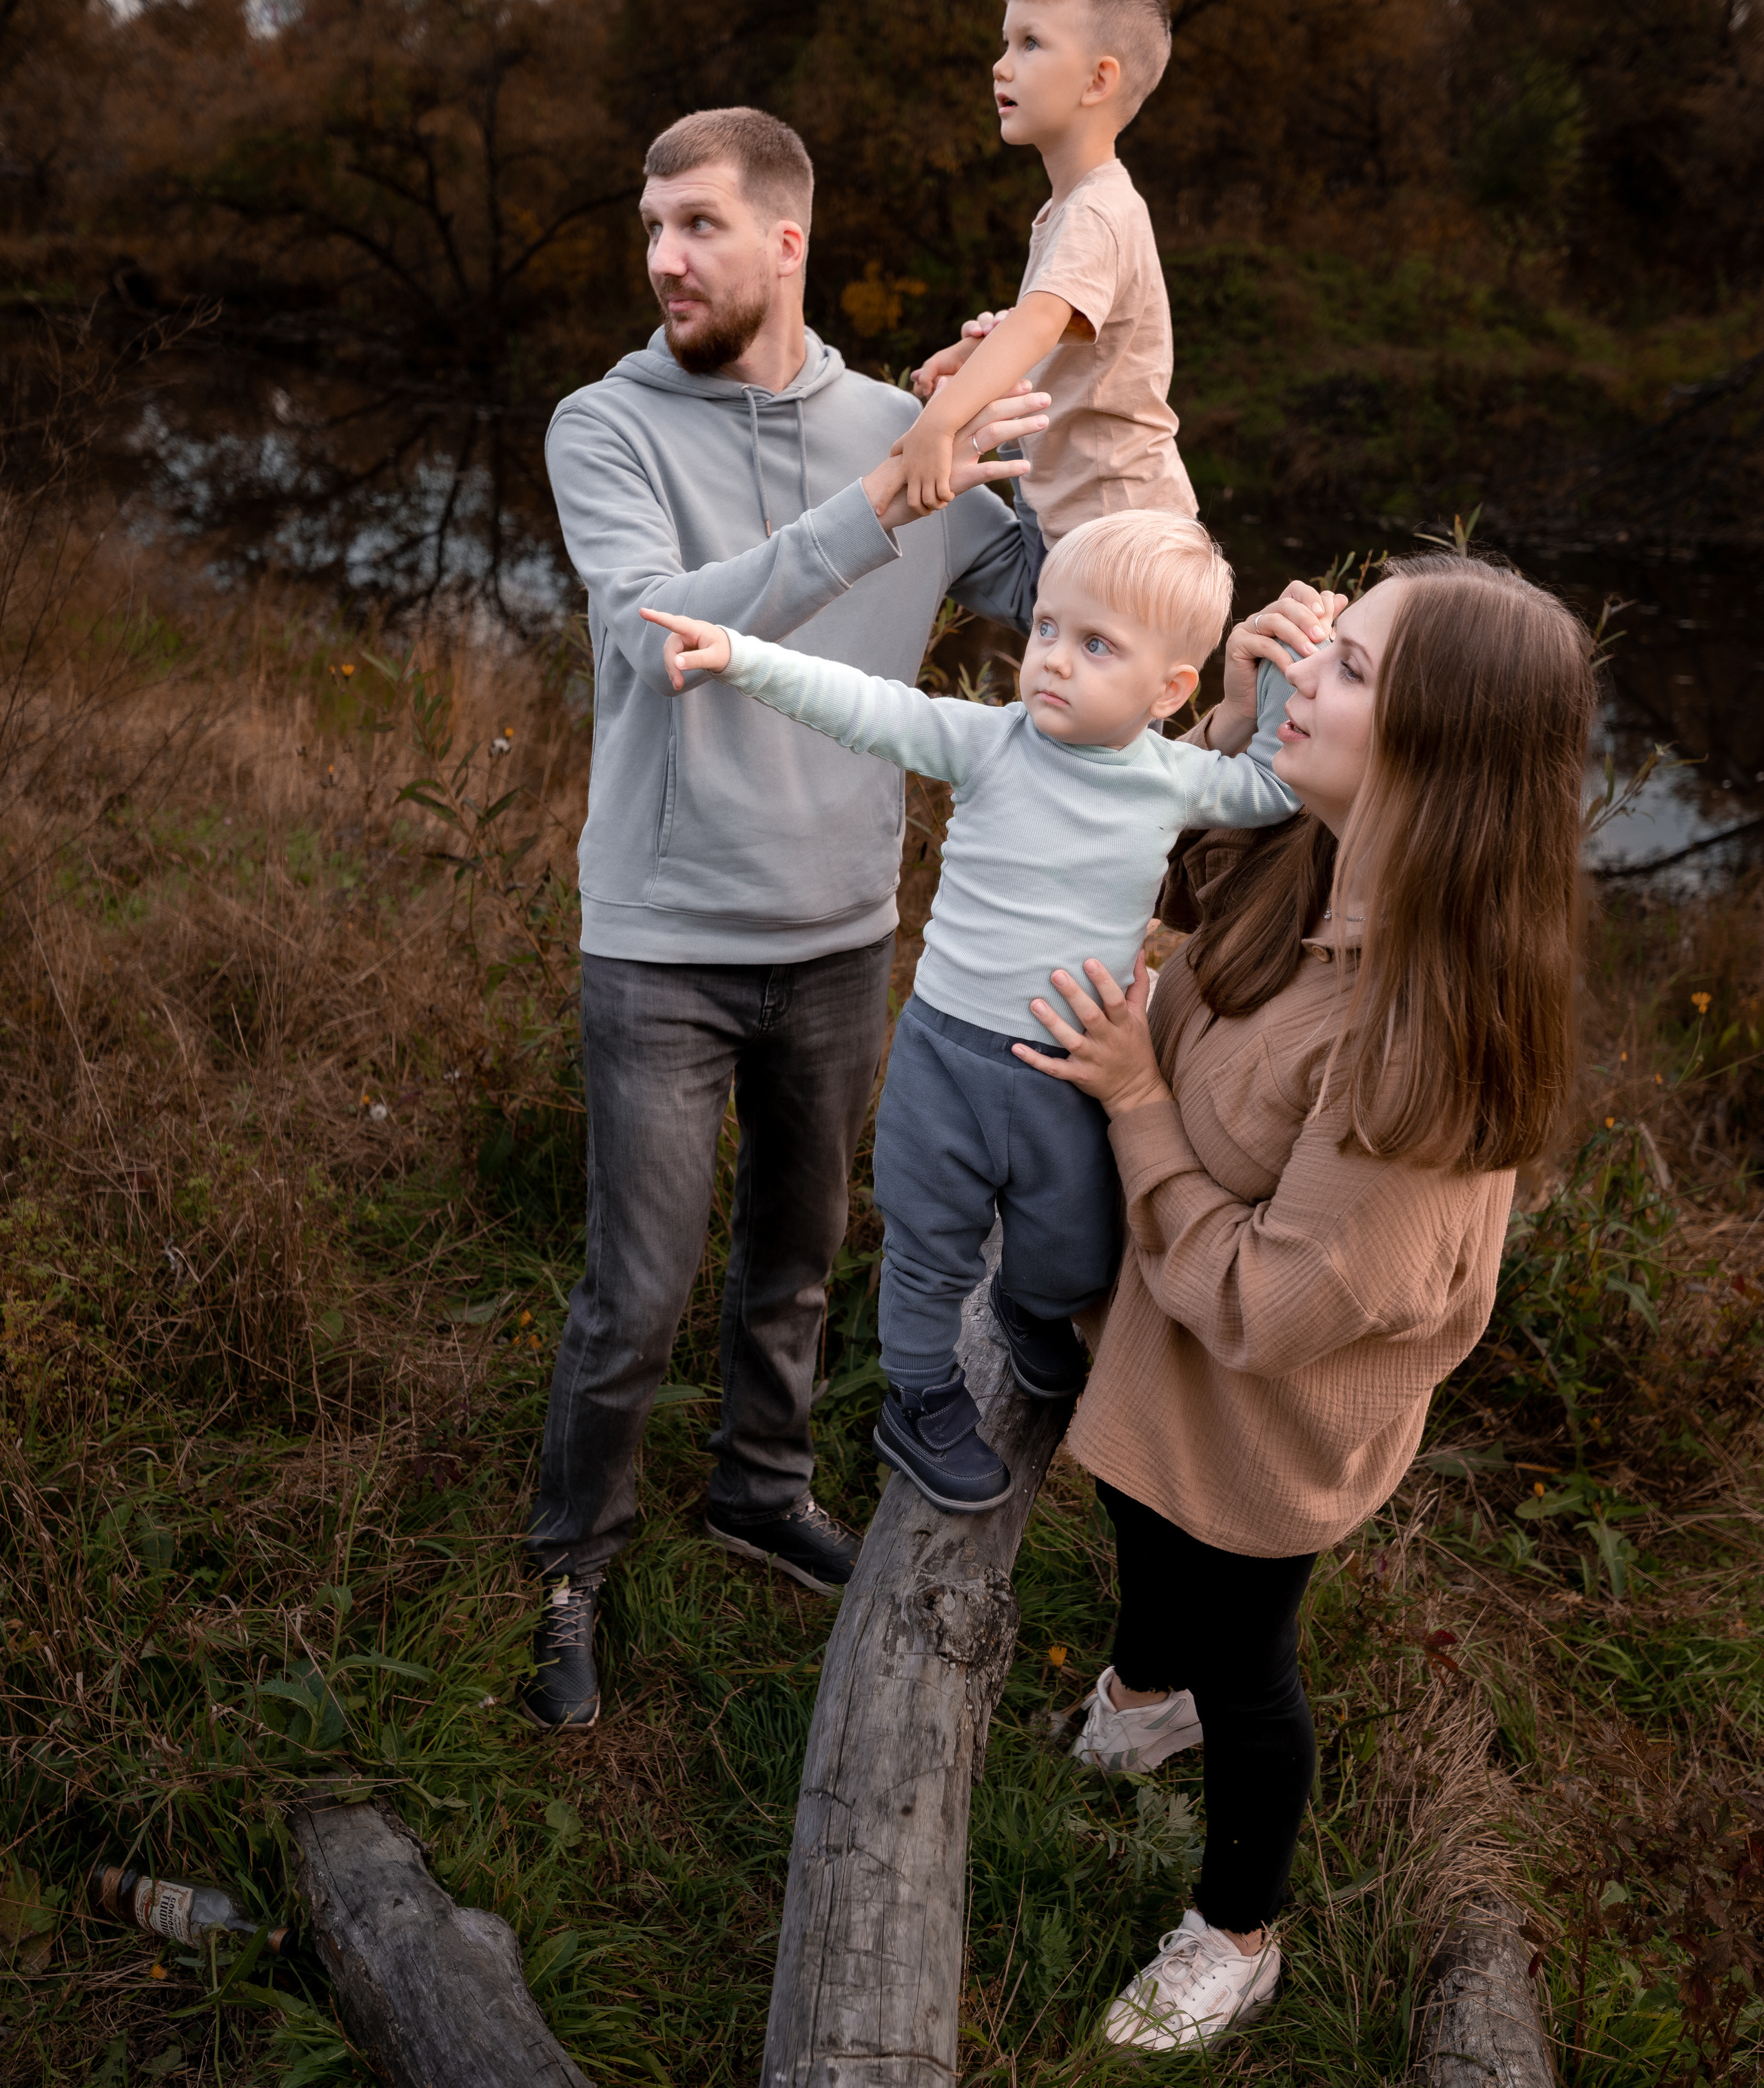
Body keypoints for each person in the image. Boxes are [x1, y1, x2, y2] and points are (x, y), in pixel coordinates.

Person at [1011, 554, 1597, 2049]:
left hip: (1267, 1408)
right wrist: (1225, 721)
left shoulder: (1422, 1043)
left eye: (1347, 667)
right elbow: (1162, 870)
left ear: (1434, 752)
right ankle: (1142, 1692)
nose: (1304, 665)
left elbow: (1274, 1305)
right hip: (1164, 1338)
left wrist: (1139, 1102)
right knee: (1141, 1528)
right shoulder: (1310, 852)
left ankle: (1235, 1923)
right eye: (1322, 639)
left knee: (1246, 1654)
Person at [521, 105, 1051, 1732]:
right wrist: (885, 504)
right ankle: (572, 1557)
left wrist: (1088, 436)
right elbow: (653, 635)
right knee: (635, 1289)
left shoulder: (906, 423)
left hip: (835, 934)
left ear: (784, 241)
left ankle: (759, 1488)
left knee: (797, 1262)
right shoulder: (601, 426)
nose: (664, 258)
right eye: (650, 226)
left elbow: (1061, 605)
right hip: (664, 939)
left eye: (694, 225)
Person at [641, 510, 1309, 1513]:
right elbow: (864, 707)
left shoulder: (1176, 780)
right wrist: (739, 653)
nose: (1050, 661)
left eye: (1096, 646)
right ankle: (917, 1397)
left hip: (1068, 1069)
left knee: (1074, 1245)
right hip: (945, 1057)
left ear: (1172, 691)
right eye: (1045, 628)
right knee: (927, 1244)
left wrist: (1294, 670)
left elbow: (1273, 786)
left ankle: (1030, 1309)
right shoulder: (992, 743)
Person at [900, 0, 1198, 565]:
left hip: (1120, 530)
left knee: (1085, 666)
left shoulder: (1096, 211)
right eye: (1006, 43)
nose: (1001, 67)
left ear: (1098, 80)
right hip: (1075, 518)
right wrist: (973, 354)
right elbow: (1062, 336)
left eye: (1030, 43)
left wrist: (941, 423)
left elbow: (1039, 322)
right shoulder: (1071, 209)